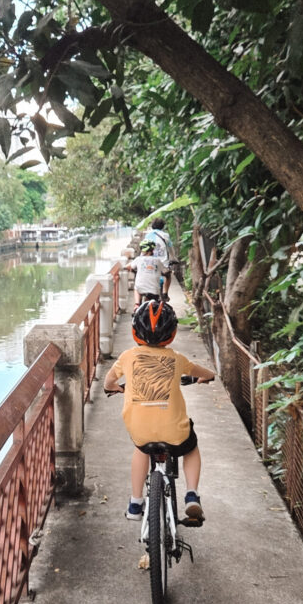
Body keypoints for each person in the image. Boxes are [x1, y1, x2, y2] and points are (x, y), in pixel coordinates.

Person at [104, 299, 215, 522]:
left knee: (141, 449)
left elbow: (108, 382)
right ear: (172, 333)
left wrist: (116, 389)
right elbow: (208, 373)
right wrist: (204, 378)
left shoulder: (127, 357)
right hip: (175, 431)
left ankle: (135, 504)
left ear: (135, 331)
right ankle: (192, 495)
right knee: (191, 448)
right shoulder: (177, 359)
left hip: (141, 430)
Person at [128, 240, 169, 309]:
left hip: (140, 288)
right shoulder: (158, 261)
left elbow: (129, 266)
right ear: (152, 250)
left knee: (136, 288)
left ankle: (137, 304)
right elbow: (165, 271)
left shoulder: (138, 259)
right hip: (155, 289)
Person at [142, 217, 174, 299]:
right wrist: (173, 258)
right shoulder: (165, 236)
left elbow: (144, 249)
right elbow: (170, 249)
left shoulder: (148, 235)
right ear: (162, 226)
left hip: (150, 263)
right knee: (168, 276)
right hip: (163, 264)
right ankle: (165, 293)